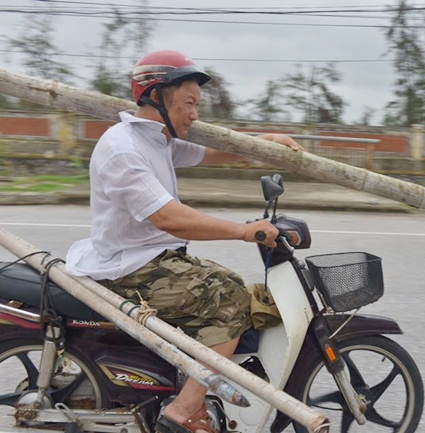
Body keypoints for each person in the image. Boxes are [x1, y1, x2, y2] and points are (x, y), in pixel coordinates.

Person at [65, 49, 303, 433]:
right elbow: (170, 218)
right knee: (231, 299)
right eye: (189, 103)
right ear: (157, 95)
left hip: (152, 258)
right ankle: (183, 411)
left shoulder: (158, 139)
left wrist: (265, 141)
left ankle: (183, 377)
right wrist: (244, 231)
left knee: (233, 287)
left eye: (197, 105)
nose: (195, 114)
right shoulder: (123, 149)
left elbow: (212, 151)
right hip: (132, 268)